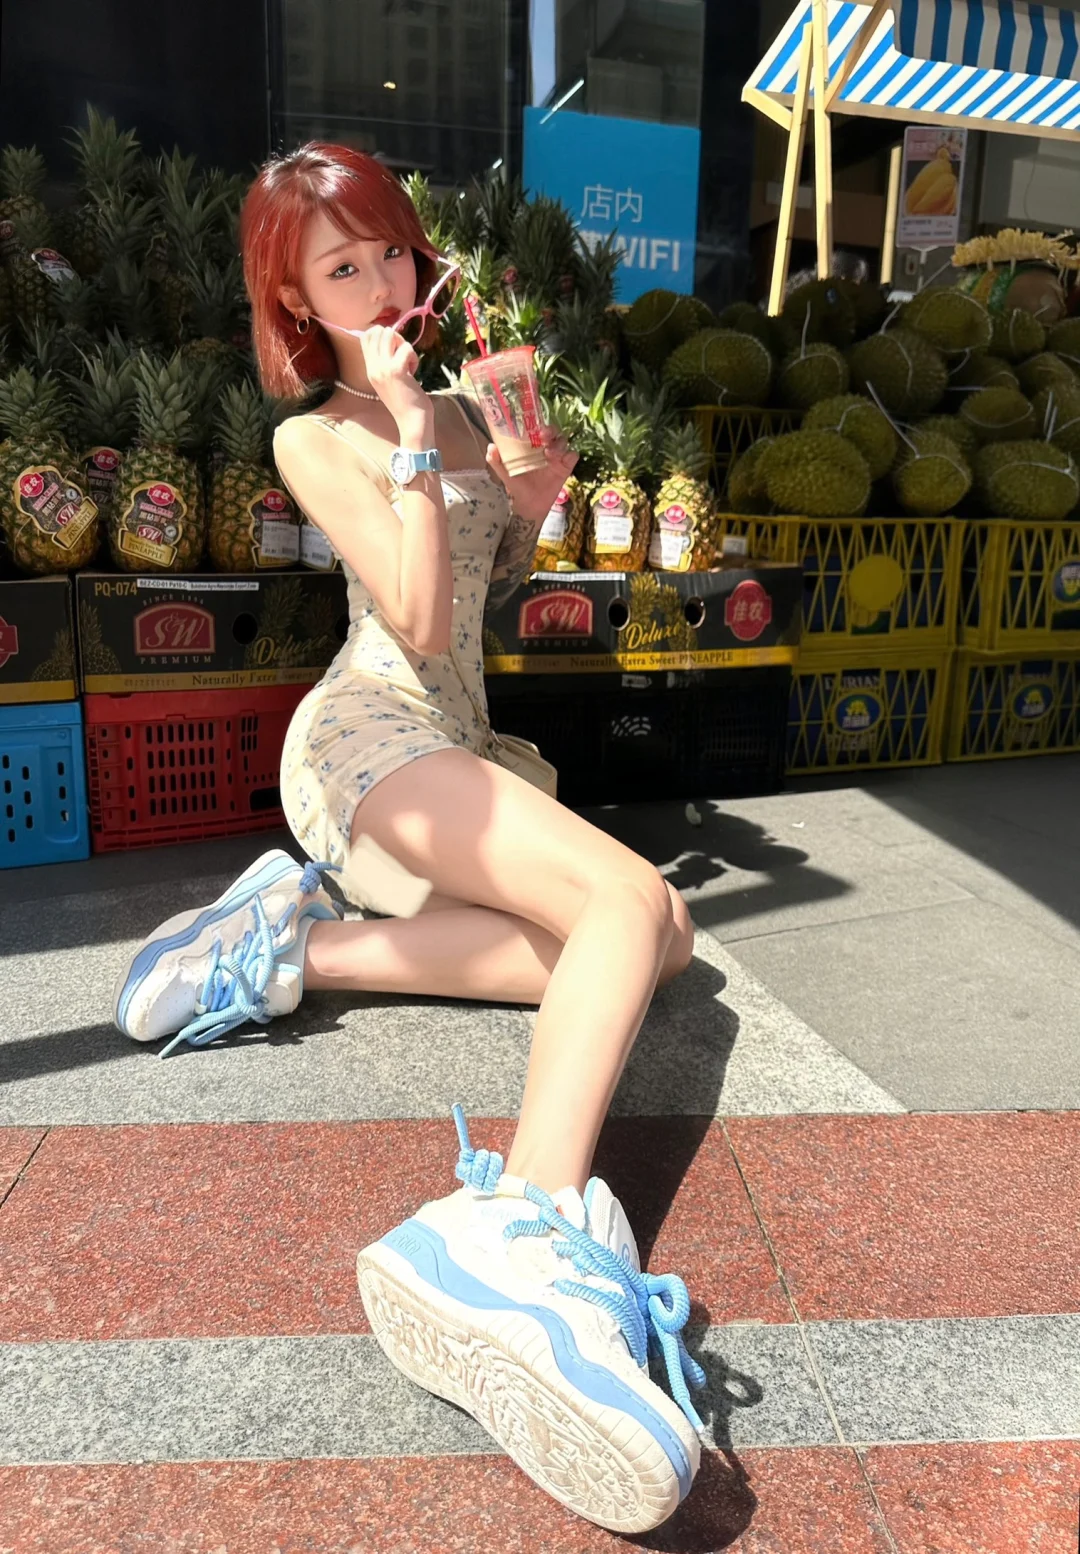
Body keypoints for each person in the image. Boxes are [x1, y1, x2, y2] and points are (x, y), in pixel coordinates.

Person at [111, 143, 706, 1533]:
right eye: (343, 266)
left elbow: (486, 598)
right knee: (625, 906)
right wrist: (414, 440)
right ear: (296, 301)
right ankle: (523, 1233)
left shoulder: (455, 403)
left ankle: (292, 947)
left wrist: (533, 488)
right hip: (370, 735)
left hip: (464, 741)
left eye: (390, 249)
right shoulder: (318, 436)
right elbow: (419, 620)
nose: (382, 280)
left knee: (661, 939)